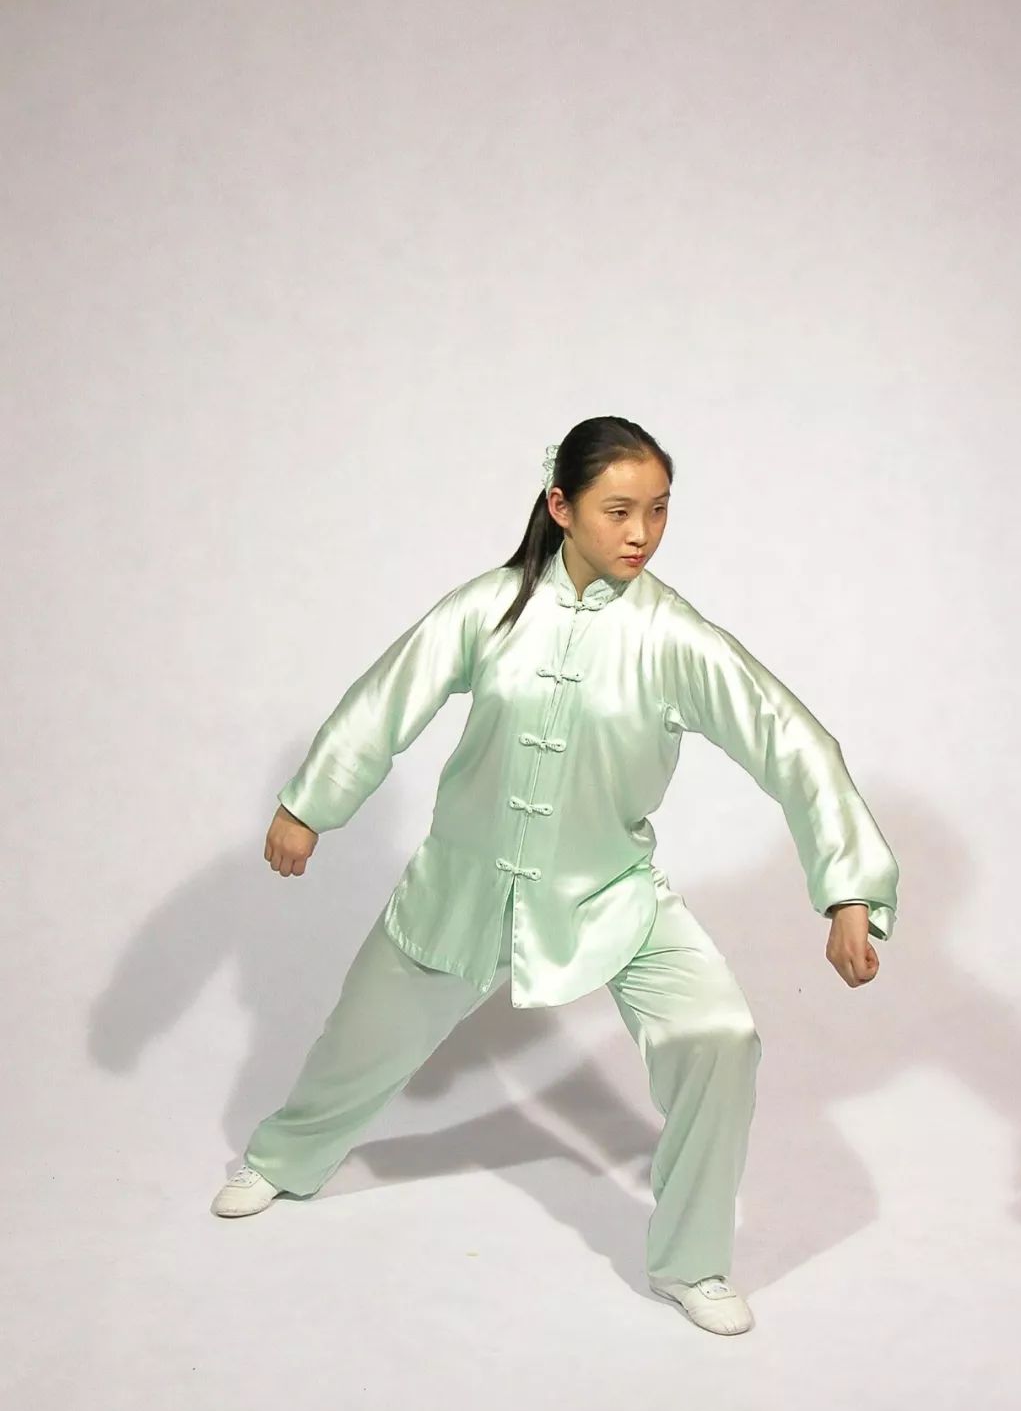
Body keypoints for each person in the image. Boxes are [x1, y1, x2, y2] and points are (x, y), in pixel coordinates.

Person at [210, 415, 899, 1337]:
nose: (642, 533)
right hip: (462, 886)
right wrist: (309, 804)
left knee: (719, 1037)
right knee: (358, 1042)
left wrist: (849, 887)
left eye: (659, 510)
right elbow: (386, 698)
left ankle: (692, 1261)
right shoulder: (487, 608)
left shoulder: (673, 637)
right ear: (561, 505)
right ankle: (284, 1159)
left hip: (610, 894)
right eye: (619, 510)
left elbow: (793, 742)